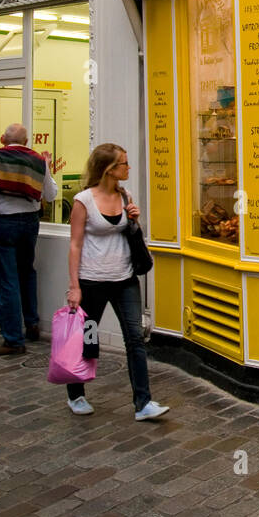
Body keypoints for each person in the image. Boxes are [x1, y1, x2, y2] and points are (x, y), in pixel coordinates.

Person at [65, 143, 168, 422]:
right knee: (86, 337)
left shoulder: (125, 195)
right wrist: (74, 286)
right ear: (109, 169)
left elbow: (133, 236)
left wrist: (135, 221)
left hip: (125, 278)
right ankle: (75, 393)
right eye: (124, 163)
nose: (128, 167)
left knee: (135, 338)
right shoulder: (84, 200)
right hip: (92, 281)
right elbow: (75, 245)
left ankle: (143, 402)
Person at [0, 123, 57, 355]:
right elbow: (51, 194)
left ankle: (13, 339)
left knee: (7, 279)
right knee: (27, 270)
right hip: (30, 222)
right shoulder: (37, 160)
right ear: (26, 142)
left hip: (3, 222)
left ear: (2, 138)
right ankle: (32, 323)